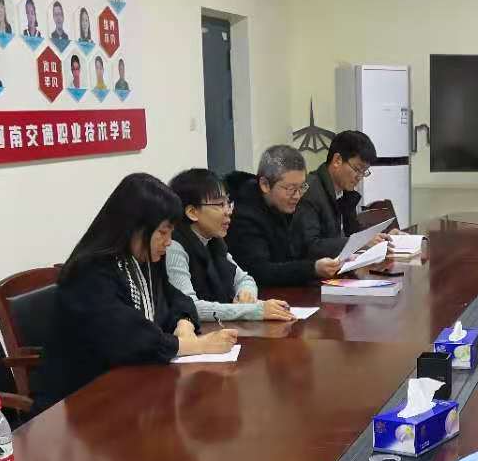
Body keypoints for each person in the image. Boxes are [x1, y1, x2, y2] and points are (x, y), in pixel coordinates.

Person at [32, 174, 239, 414]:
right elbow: (129, 337)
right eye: (163, 233)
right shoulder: (90, 273)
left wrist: (184, 323)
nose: (169, 242)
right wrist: (198, 345)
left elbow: (178, 299)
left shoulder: (143, 261)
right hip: (78, 402)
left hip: (130, 387)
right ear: (135, 229)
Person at [165, 168, 294, 323]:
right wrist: (252, 311)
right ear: (192, 212)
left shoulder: (214, 241)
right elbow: (190, 307)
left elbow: (245, 279)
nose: (228, 211)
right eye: (220, 204)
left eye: (228, 203)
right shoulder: (174, 247)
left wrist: (246, 294)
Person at [226, 145, 341, 287]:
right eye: (291, 189)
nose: (297, 196)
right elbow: (259, 271)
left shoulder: (284, 205)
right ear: (265, 185)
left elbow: (299, 252)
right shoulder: (243, 215)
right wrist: (313, 269)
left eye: (302, 187)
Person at [294, 130, 387, 260]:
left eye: (364, 172)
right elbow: (311, 246)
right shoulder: (310, 192)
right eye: (357, 169)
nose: (360, 177)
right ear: (337, 160)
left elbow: (352, 232)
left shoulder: (345, 192)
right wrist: (359, 242)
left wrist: (380, 237)